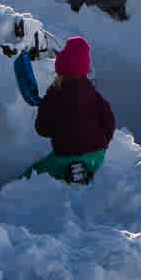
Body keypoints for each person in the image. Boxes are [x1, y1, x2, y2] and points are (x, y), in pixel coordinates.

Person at [29, 36, 116, 183]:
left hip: (65, 154)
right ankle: (85, 170)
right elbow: (109, 122)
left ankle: (71, 170)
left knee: (34, 175)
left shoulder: (54, 95)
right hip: (96, 155)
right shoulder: (94, 95)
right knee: (87, 160)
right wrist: (101, 144)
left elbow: (42, 129)